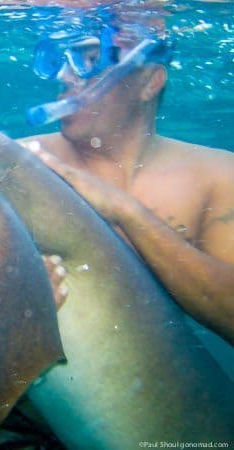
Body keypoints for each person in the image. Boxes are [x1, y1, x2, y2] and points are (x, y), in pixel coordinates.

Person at [18, 20, 234, 345]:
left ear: (150, 81)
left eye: (89, 59)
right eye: (60, 60)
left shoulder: (218, 175)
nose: (64, 75)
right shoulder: (18, 162)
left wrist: (126, 212)